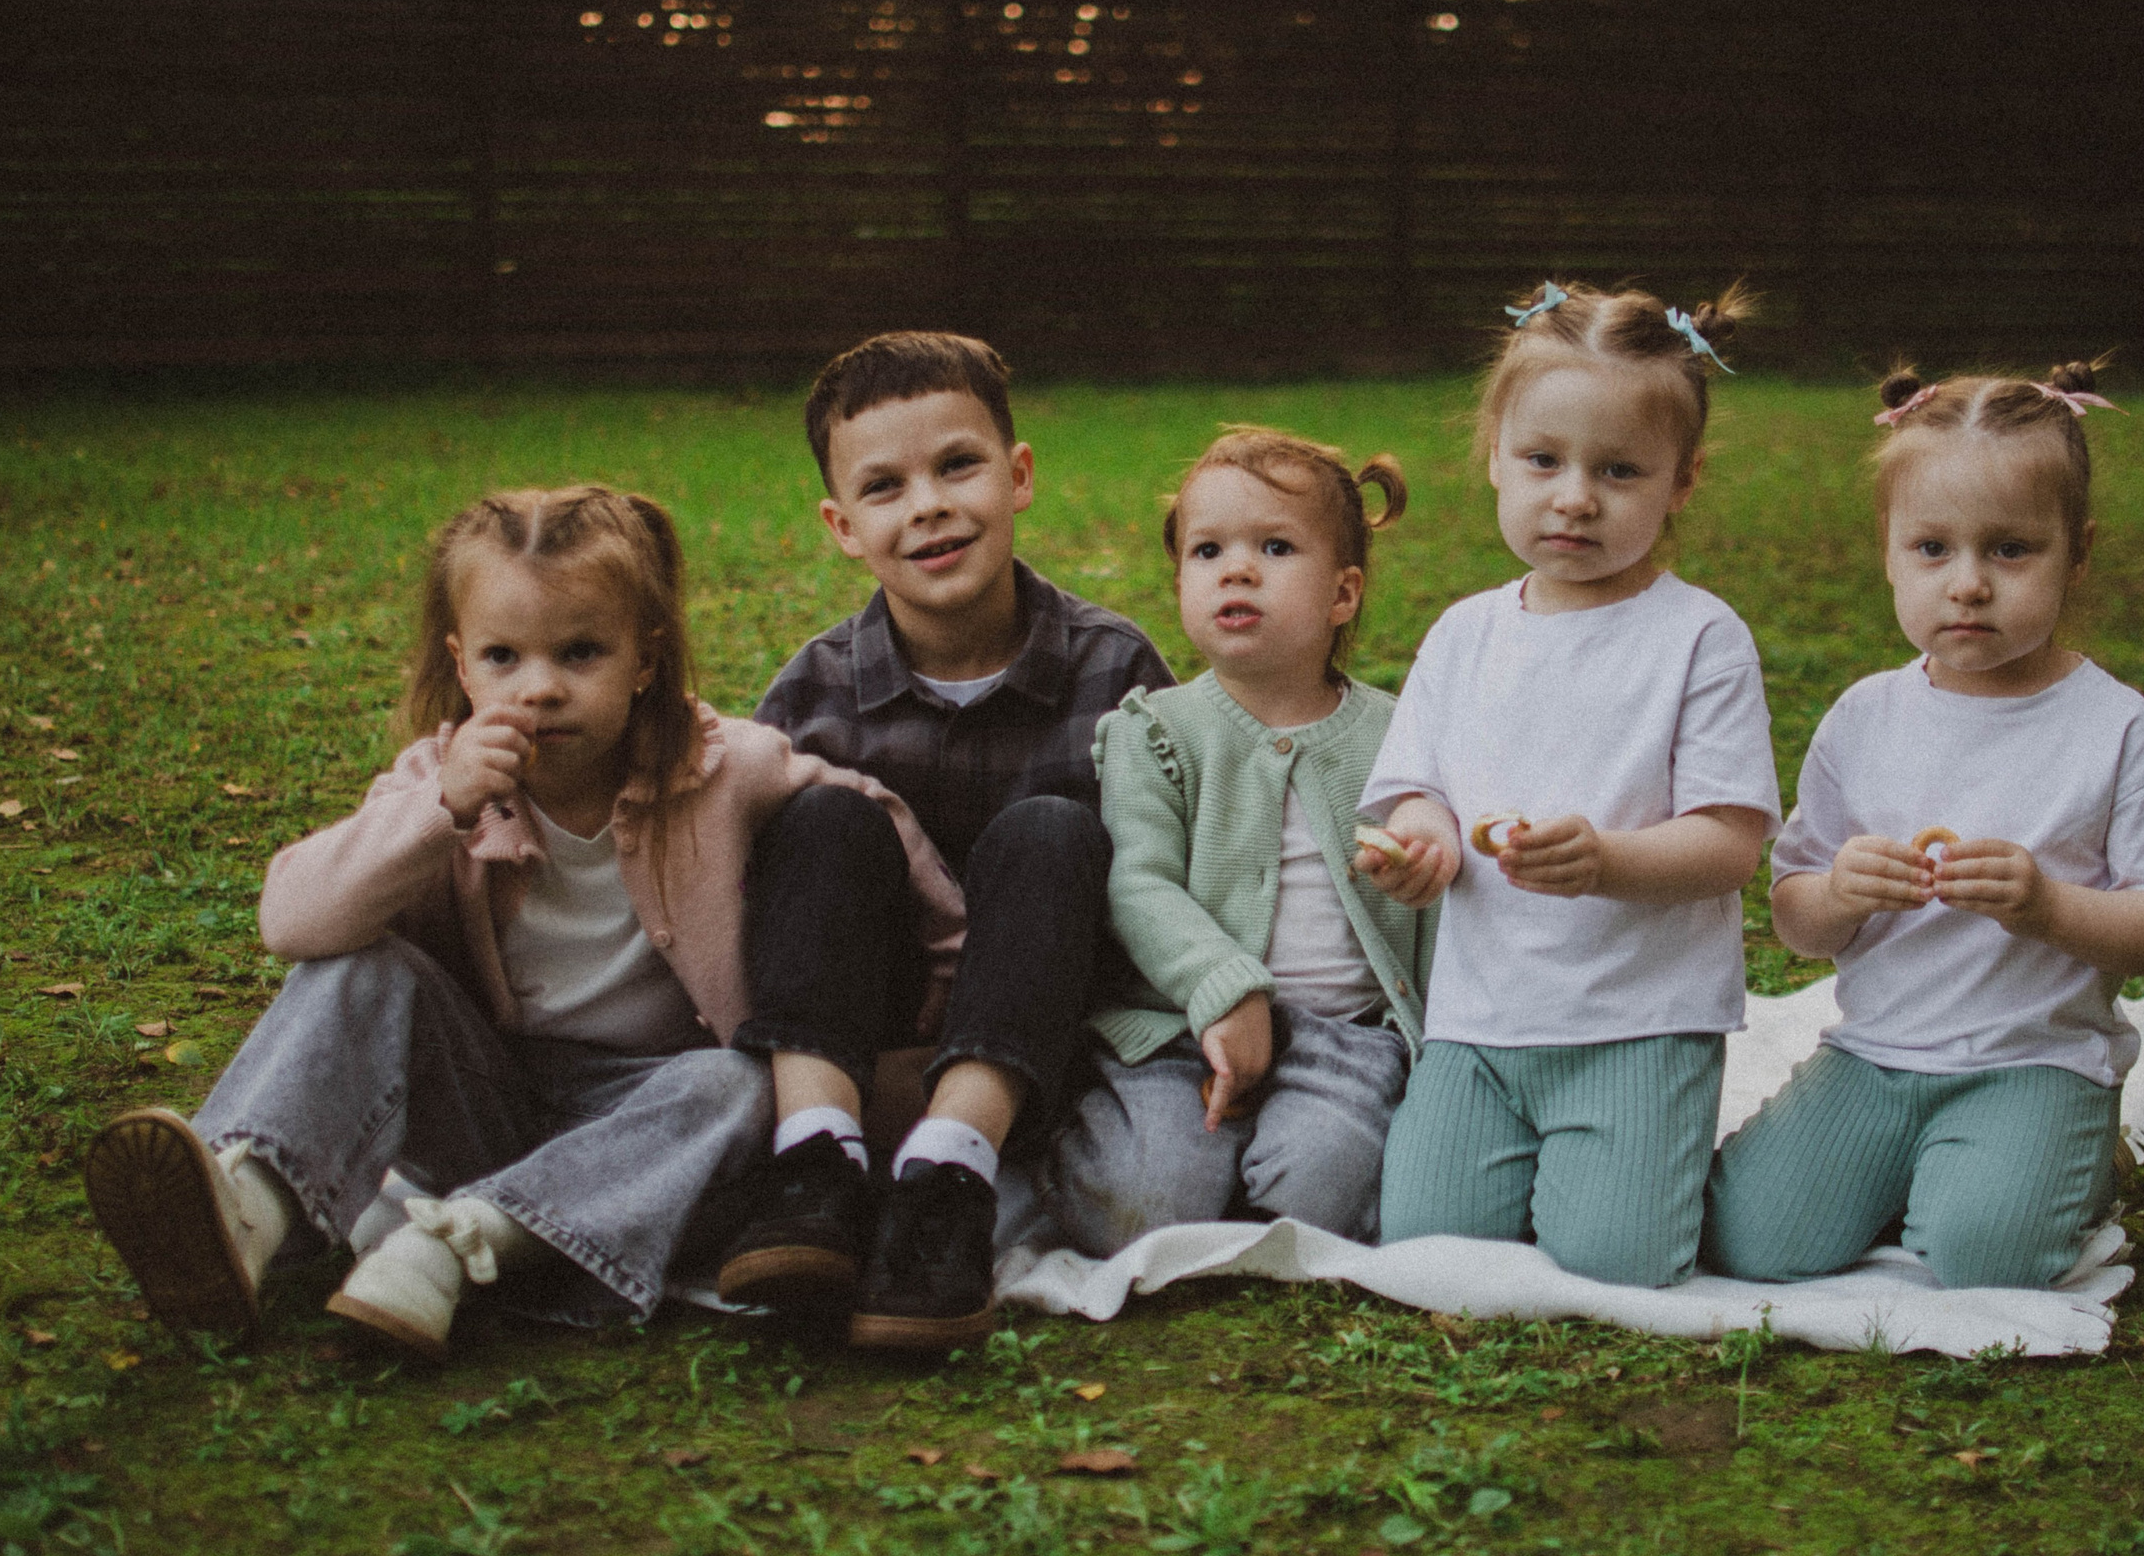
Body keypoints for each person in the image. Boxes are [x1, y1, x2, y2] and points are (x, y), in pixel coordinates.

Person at [80, 487, 959, 1358]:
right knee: (360, 968)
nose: (540, 689)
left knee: (737, 1083)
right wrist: (443, 809)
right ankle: (246, 1213)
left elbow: (876, 838)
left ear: (645, 660)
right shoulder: (437, 776)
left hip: (647, 1117)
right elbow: (292, 919)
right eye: (504, 657)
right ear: (463, 666)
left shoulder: (723, 768)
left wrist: (946, 1011)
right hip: (483, 1094)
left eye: (581, 653)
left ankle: (459, 1245)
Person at [1703, 362, 2144, 1290]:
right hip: (1876, 1056)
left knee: (1985, 1257)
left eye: (2011, 551)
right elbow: (1795, 922)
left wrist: (2049, 908)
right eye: (1932, 549)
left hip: (2034, 1060)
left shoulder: (2115, 731)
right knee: (1751, 1243)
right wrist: (1839, 893)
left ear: (2078, 552)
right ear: (1888, 550)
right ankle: (1936, 1163)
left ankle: (2062, 1166)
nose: (1969, 585)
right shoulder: (1864, 719)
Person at [723, 331, 1174, 1348]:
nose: (926, 504)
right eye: (884, 487)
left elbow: (1165, 872)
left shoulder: (1115, 670)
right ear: (842, 526)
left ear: (1016, 477)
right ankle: (817, 1161)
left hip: (1045, 1031)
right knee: (820, 815)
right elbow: (772, 901)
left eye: (957, 465)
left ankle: (949, 1179)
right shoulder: (811, 693)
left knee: (1055, 831)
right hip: (869, 1032)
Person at [1360, 280, 1783, 1288]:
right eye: (1542, 460)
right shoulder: (1466, 633)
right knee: (1424, 1246)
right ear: (1494, 454)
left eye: (1619, 469)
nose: (1574, 496)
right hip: (1482, 1019)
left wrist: (1607, 859)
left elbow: (1728, 841)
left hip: (1635, 1019)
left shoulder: (1697, 638)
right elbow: (1416, 790)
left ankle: (1677, 1161)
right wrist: (1422, 845)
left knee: (1615, 1258)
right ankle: (1547, 1153)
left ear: (1681, 481)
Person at [1049, 428, 1430, 1254]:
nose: (1237, 569)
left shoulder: (1399, 736)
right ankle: (1143, 1156)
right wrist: (1222, 988)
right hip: (1181, 1032)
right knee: (1141, 1208)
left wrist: (1422, 871)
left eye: (1276, 547)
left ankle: (1279, 1175)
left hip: (1344, 1036)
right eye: (1207, 549)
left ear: (1343, 594)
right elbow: (1138, 884)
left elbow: (1436, 889)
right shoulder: (1154, 732)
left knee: (1316, 1191)